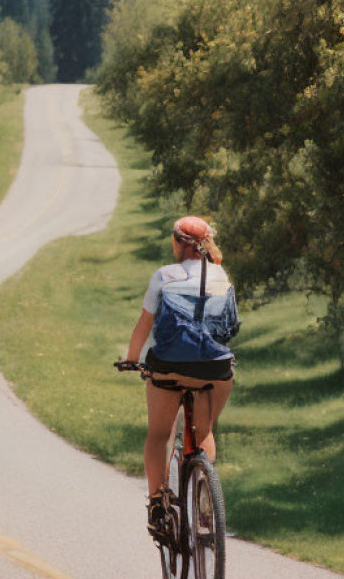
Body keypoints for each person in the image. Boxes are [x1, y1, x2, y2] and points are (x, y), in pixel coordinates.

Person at [124, 215, 236, 539]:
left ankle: (158, 504)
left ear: (177, 243)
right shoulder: (221, 275)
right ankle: (203, 498)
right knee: (203, 433)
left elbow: (144, 325)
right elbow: (227, 327)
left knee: (159, 434)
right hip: (215, 369)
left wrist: (132, 360)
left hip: (170, 367)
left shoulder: (163, 276)